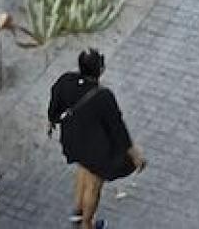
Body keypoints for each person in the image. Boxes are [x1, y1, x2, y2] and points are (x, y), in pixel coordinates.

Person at [49, 49, 146, 229]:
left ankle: (77, 212)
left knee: (83, 171)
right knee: (93, 186)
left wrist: (52, 120)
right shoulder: (104, 96)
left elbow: (55, 104)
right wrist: (135, 154)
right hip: (96, 151)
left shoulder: (66, 80)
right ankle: (87, 224)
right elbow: (118, 129)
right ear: (100, 70)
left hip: (73, 141)